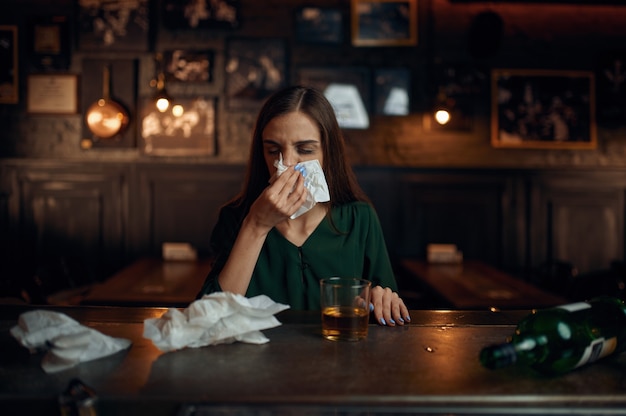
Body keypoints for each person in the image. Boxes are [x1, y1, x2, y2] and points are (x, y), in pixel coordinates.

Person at [197, 85, 410, 326]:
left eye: (305, 150)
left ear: (328, 154)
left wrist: (383, 298)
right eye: (273, 150)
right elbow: (207, 320)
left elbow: (386, 305)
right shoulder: (235, 218)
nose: (286, 163)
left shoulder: (358, 218)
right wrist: (256, 225)